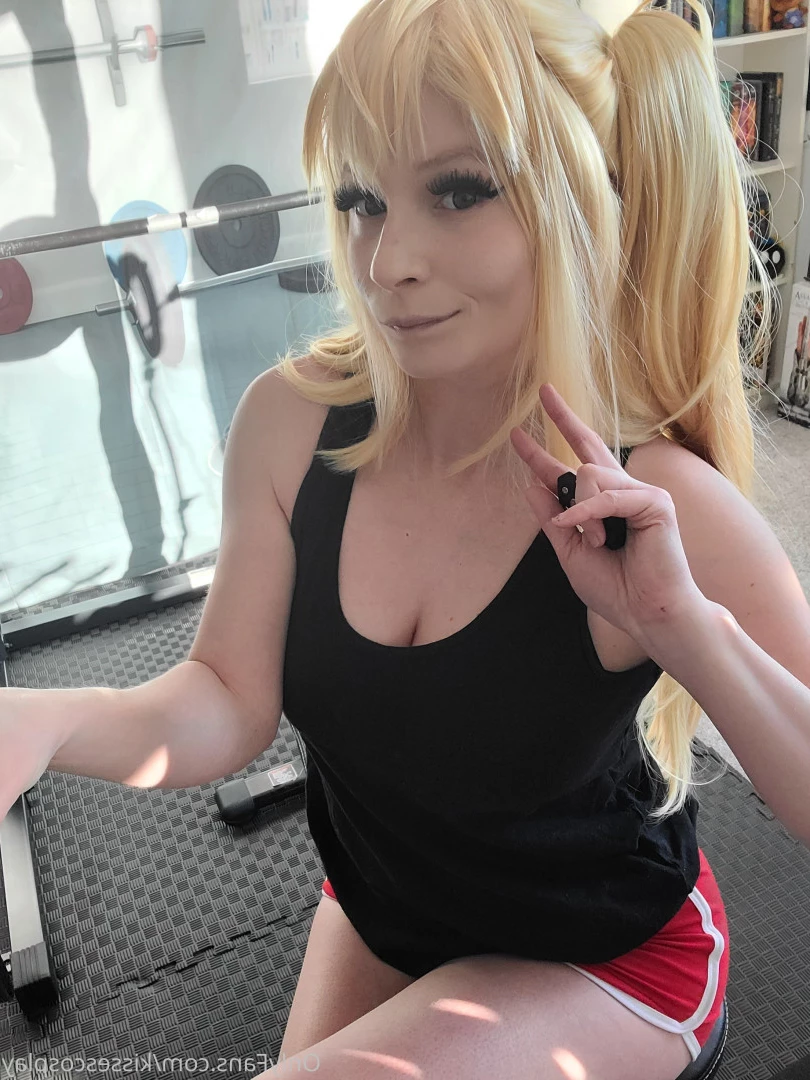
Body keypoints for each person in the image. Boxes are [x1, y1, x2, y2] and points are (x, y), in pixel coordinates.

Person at [3, 1, 810, 1077]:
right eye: (361, 199)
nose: (387, 261)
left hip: (607, 951)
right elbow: (227, 697)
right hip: (390, 903)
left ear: (578, 194)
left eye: (460, 191)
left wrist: (684, 626)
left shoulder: (654, 499)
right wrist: (46, 721)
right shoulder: (289, 424)